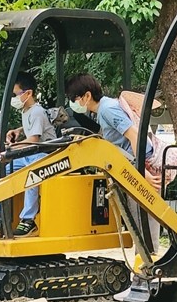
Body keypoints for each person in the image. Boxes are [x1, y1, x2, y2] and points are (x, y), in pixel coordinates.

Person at [65, 74, 158, 250]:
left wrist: (141, 172)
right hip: (134, 165)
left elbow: (134, 136)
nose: (73, 103)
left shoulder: (107, 109)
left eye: (74, 98)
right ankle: (143, 272)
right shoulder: (103, 110)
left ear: (86, 96)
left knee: (144, 222)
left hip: (141, 166)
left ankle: (147, 272)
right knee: (139, 224)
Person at [6, 73, 56, 236]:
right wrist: (17, 131)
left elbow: (34, 138)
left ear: (28, 93)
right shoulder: (26, 111)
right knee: (6, 170)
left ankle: (28, 219)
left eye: (16, 94)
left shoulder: (37, 112)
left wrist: (14, 148)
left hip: (45, 153)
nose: (14, 98)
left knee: (31, 174)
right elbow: (29, 128)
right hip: (32, 153)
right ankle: (0, 213)